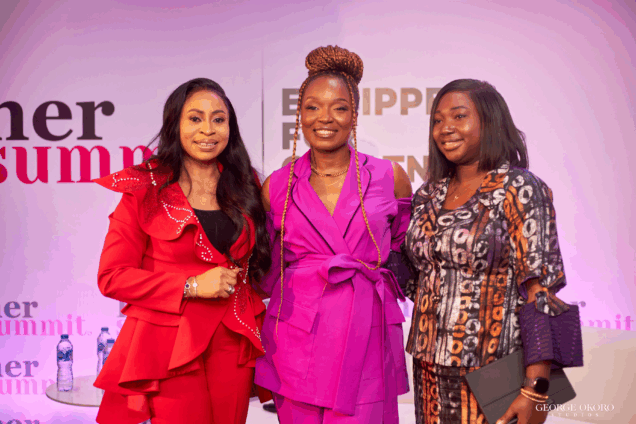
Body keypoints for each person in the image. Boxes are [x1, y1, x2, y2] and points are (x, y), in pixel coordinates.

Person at [403, 79, 583, 424]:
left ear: (490, 122)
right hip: (428, 367)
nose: (445, 128)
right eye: (438, 120)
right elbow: (420, 280)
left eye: (459, 116)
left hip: (495, 369)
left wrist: (536, 388)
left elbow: (540, 291)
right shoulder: (428, 194)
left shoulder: (520, 187)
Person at [93, 78, 271, 424]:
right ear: (174, 124)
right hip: (169, 343)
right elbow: (112, 277)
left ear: (230, 127)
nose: (208, 130)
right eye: (195, 118)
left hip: (233, 339)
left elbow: (261, 263)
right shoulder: (145, 187)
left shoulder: (246, 183)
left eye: (218, 119)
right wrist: (191, 285)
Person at [254, 45, 413, 424]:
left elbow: (404, 250)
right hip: (297, 338)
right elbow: (266, 267)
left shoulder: (389, 176)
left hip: (366, 334)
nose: (324, 118)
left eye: (339, 108)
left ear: (354, 114)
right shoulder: (276, 186)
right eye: (312, 107)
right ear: (300, 114)